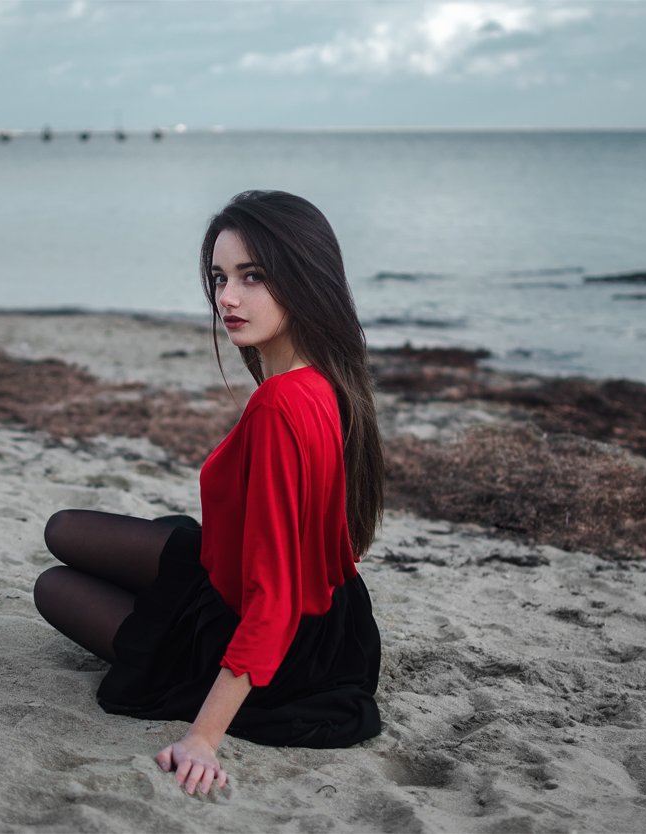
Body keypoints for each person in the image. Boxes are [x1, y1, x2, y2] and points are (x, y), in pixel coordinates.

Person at [33, 190, 385, 798]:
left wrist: (202, 737)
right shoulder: (326, 379)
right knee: (62, 529)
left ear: (306, 275)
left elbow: (274, 598)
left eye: (254, 277)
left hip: (279, 639)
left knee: (53, 587)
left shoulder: (282, 405)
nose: (227, 298)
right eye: (220, 277)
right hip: (325, 615)